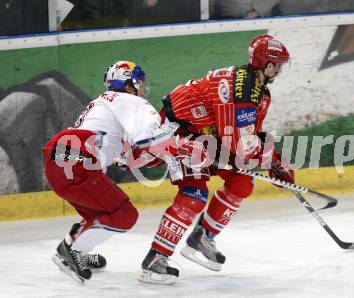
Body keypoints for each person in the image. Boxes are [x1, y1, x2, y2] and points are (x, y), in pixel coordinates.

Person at [139, 35, 295, 285]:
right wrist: (267, 159)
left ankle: (202, 236)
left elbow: (247, 136)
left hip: (210, 135)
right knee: (194, 194)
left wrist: (276, 161)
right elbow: (240, 145)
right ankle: (155, 258)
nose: (279, 69)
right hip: (180, 131)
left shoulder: (259, 92)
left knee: (242, 182)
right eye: (277, 64)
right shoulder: (241, 89)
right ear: (266, 64)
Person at [42, 61, 207, 284]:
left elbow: (129, 157)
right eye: (139, 84)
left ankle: (76, 247)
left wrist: (165, 154)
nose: (142, 89)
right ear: (129, 85)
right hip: (76, 164)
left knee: (97, 214)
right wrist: (185, 148)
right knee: (124, 215)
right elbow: (151, 139)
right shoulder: (129, 101)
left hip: (60, 164)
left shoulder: (105, 103)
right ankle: (70, 250)